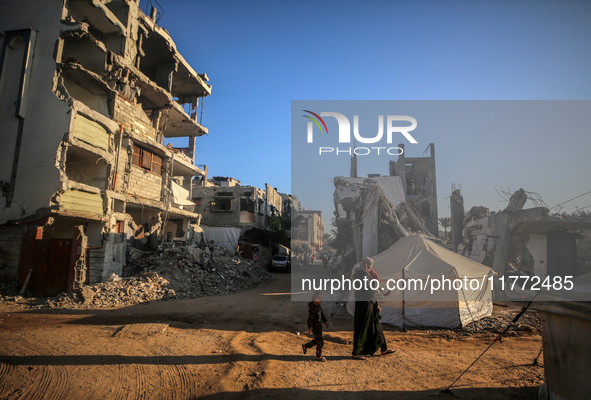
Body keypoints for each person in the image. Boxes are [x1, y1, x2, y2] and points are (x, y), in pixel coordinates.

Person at [351, 257, 395, 360]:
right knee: (361, 328)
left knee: (377, 325)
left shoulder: (365, 274)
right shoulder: (361, 275)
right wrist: (375, 287)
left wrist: (376, 305)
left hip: (370, 305)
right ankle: (356, 353)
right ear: (366, 265)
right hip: (364, 306)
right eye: (370, 266)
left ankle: (383, 348)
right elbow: (367, 291)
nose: (371, 268)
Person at [302, 290, 329, 362]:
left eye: (321, 298)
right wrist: (310, 327)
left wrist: (325, 322)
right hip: (315, 327)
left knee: (317, 340)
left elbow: (322, 315)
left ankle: (306, 346)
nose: (320, 300)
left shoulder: (318, 306)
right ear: (314, 298)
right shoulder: (312, 308)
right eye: (319, 298)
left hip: (319, 326)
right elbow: (310, 318)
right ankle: (318, 356)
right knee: (320, 342)